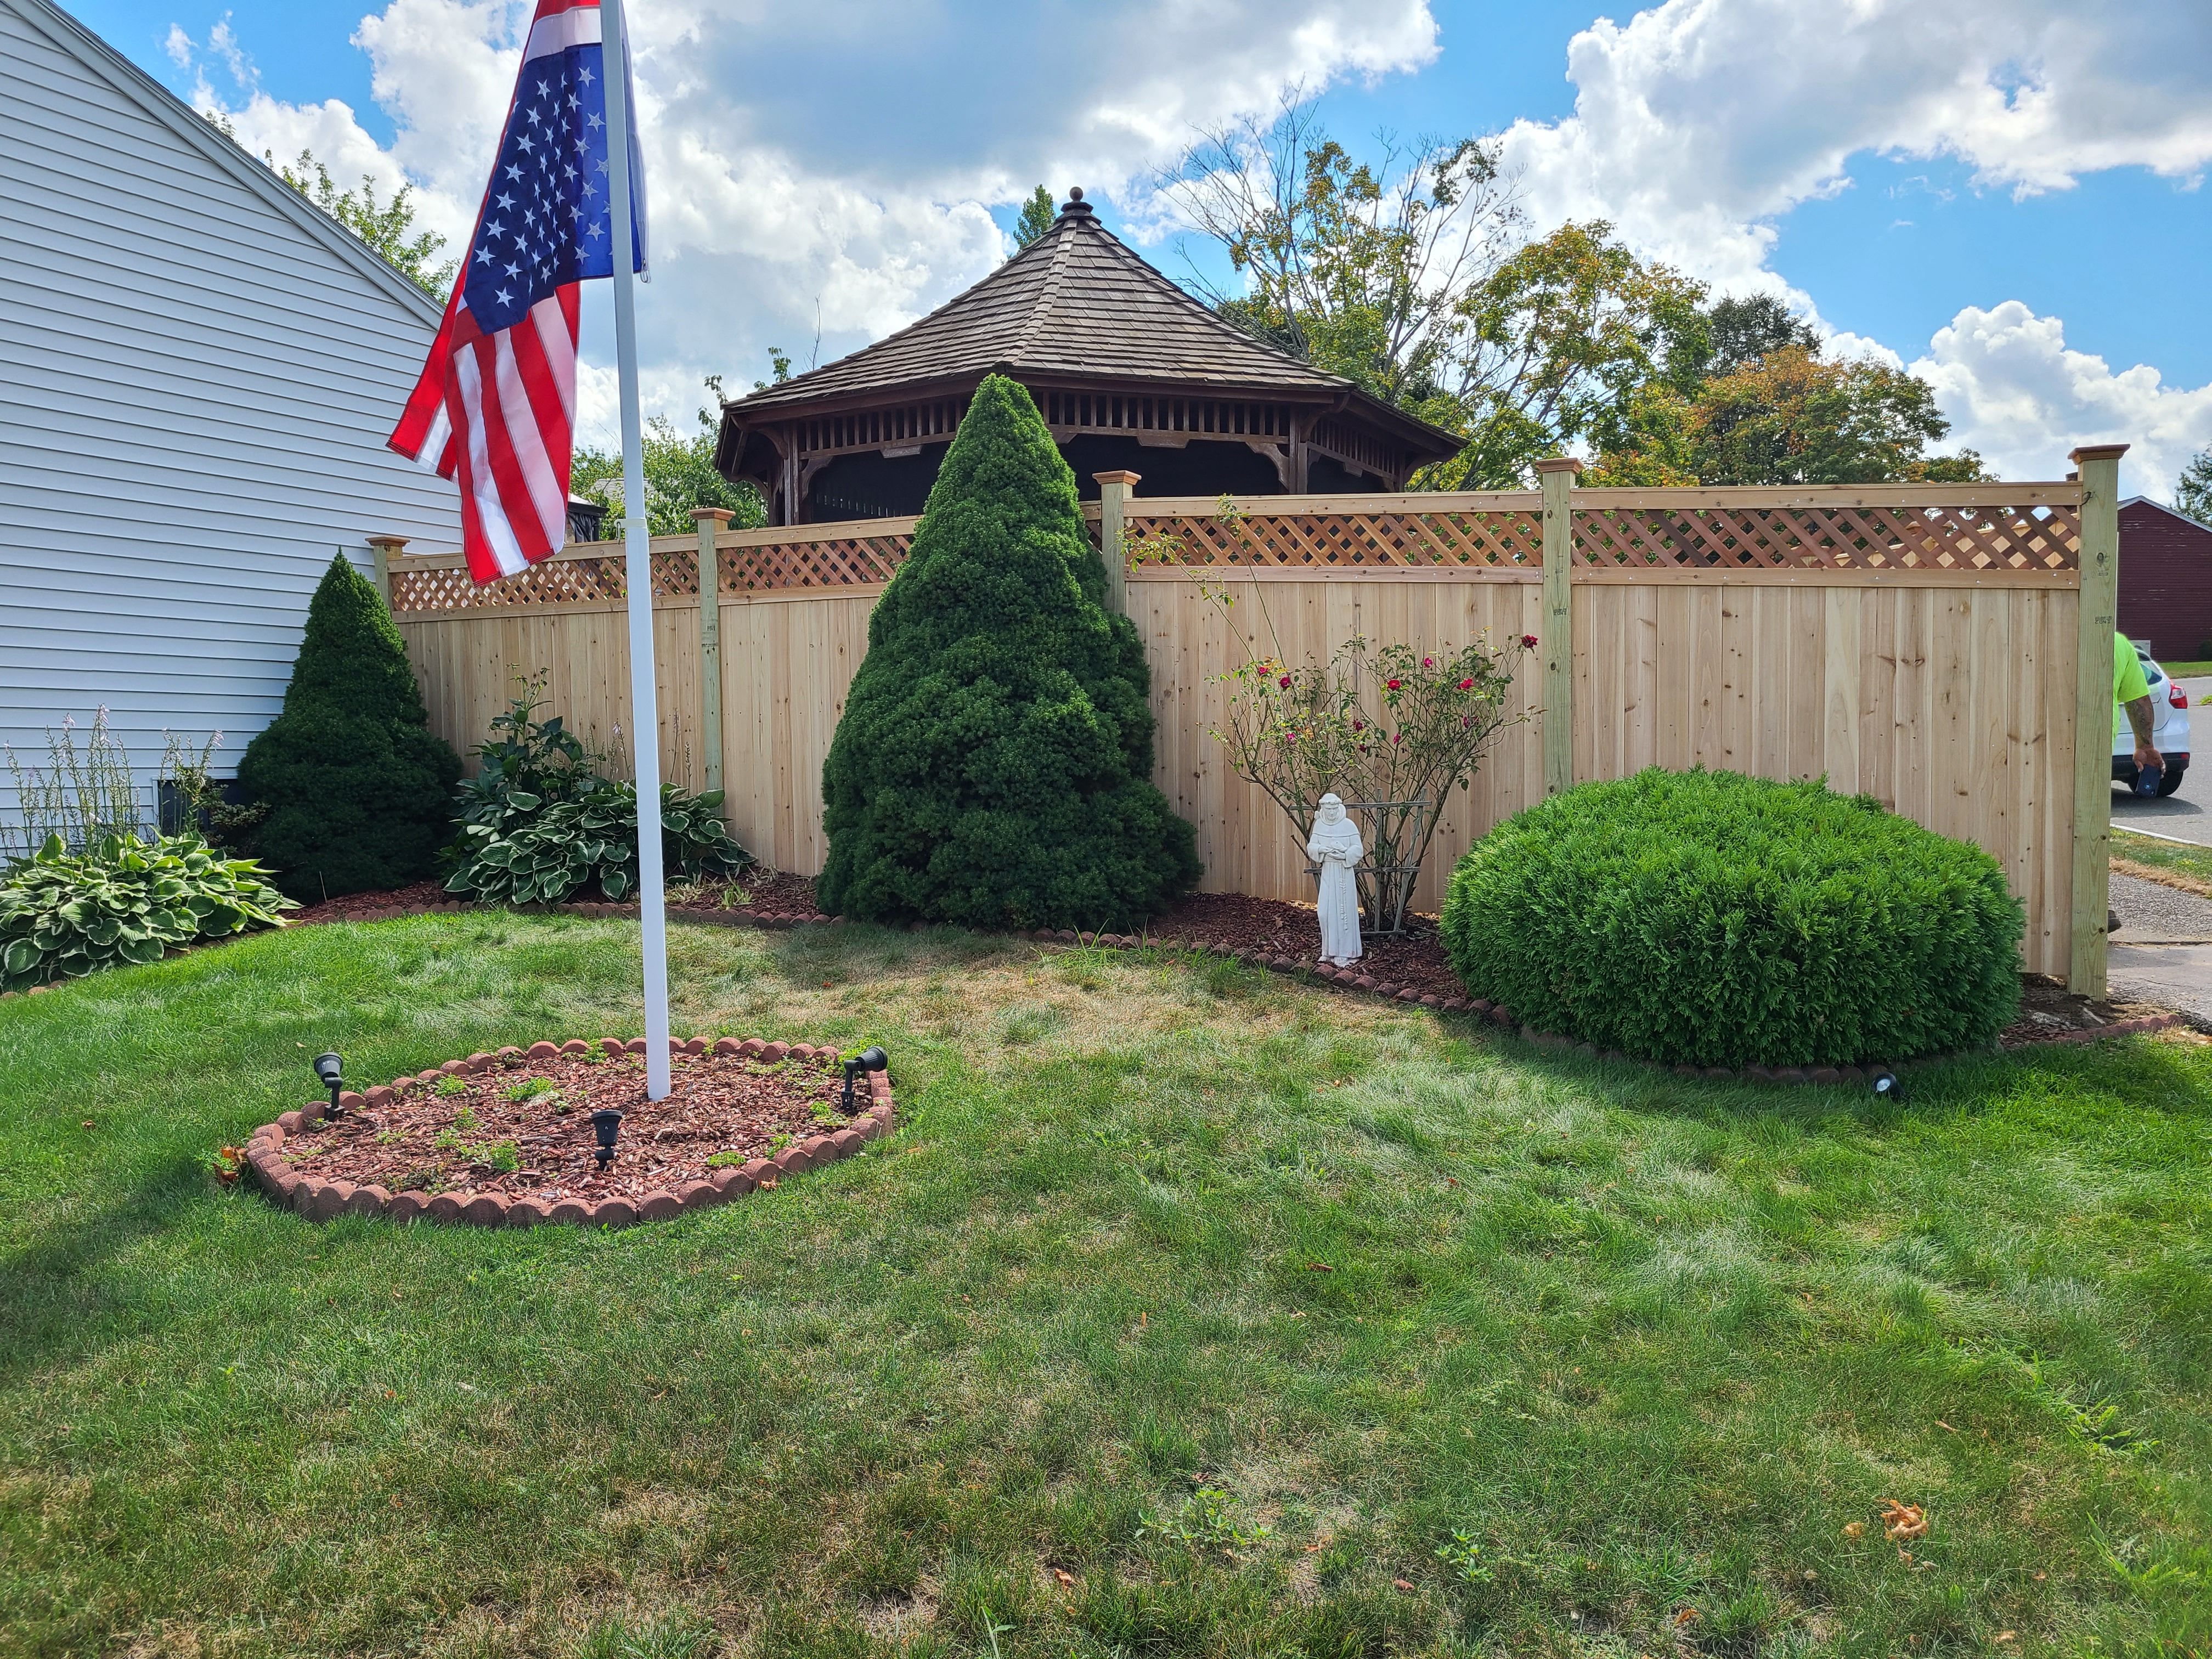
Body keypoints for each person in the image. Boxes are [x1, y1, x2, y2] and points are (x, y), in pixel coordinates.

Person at [1307, 793, 1364, 967]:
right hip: (1328, 871)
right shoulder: (1319, 825)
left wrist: (1344, 854)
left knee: (1343, 913)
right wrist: (1322, 849)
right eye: (1327, 809)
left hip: (1343, 872)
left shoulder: (1348, 825)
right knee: (1324, 913)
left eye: (1334, 809)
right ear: (1323, 809)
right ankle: (1328, 951)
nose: (1331, 813)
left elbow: (1358, 849)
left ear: (1338, 808)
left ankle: (1344, 952)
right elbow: (1312, 847)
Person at [2115, 631, 2163, 787]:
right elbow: (2138, 700)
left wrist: (2146, 747)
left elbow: (2138, 699)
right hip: (2096, 749)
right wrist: (2146, 747)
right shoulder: (2118, 643)